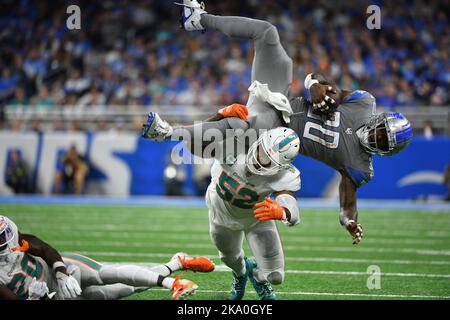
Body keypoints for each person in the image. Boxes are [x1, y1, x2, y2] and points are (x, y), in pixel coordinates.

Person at [142, 0, 414, 245]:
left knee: (244, 126)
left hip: (277, 136)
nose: (375, 138)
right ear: (379, 121)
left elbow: (348, 202)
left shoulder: (360, 167)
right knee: (267, 33)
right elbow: (322, 81)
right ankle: (198, 19)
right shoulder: (364, 103)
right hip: (281, 101)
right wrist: (317, 86)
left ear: (384, 152)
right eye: (380, 132)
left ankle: (168, 133)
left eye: (381, 143)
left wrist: (349, 221)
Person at [0, 215, 215, 300]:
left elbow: (45, 249)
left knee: (107, 273)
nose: (8, 237)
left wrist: (61, 273)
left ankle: (173, 283)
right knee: (120, 291)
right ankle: (176, 263)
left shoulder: (15, 239)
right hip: (57, 299)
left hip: (67, 272)